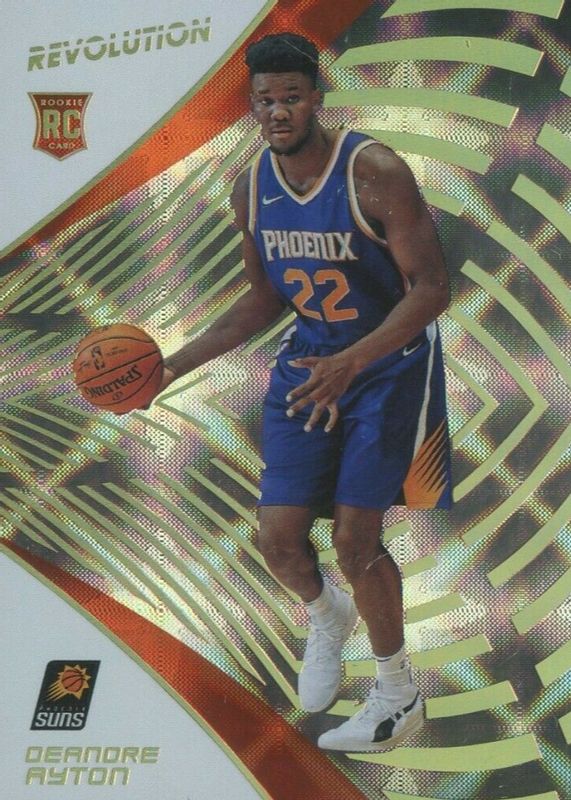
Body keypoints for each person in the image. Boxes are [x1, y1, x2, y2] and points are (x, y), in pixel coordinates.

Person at [154, 32, 452, 752]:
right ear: (252, 108)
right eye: (265, 100)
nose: (278, 111)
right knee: (278, 539)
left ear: (316, 97)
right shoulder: (250, 188)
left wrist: (352, 361)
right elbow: (264, 299)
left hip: (388, 366)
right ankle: (326, 616)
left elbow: (431, 288)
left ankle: (397, 695)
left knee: (354, 539)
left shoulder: (373, 171)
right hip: (309, 367)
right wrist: (171, 366)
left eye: (291, 97)